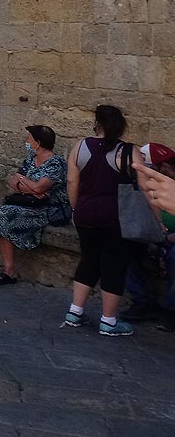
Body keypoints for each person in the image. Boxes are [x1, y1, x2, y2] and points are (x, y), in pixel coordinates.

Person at [0, 125, 70, 285]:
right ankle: (6, 269)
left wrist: (25, 182)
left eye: (29, 139)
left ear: (38, 142)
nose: (27, 141)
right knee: (6, 213)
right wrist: (30, 187)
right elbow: (14, 183)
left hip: (49, 210)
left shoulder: (56, 164)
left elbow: (38, 187)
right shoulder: (31, 158)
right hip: (29, 204)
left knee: (6, 215)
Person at [63, 105, 140, 336]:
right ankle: (108, 320)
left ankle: (74, 312)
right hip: (117, 217)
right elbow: (146, 188)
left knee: (89, 260)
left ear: (97, 123)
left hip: (86, 213)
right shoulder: (129, 152)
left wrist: (76, 209)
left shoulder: (80, 146)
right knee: (113, 265)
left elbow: (71, 181)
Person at [125, 143, 175, 330]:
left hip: (171, 239)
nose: (163, 170)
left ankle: (171, 310)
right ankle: (142, 301)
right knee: (121, 248)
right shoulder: (144, 186)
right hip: (153, 235)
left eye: (167, 165)